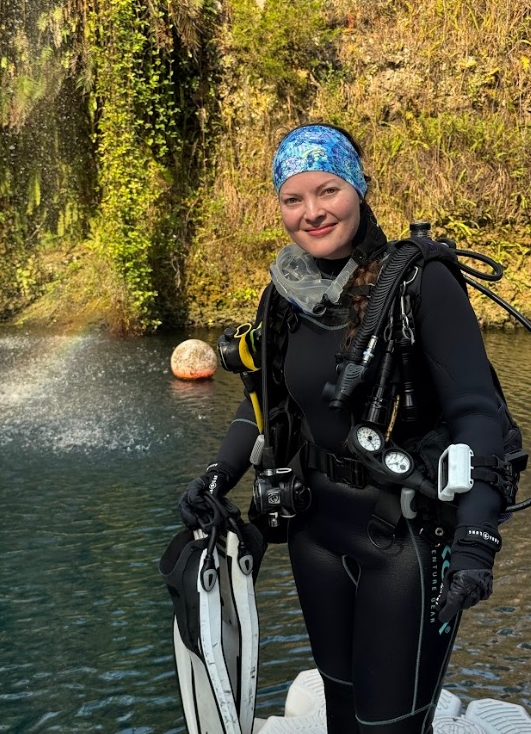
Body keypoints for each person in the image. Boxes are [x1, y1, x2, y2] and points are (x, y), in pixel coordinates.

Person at [178, 124, 509, 734]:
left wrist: (477, 537)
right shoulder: (284, 295)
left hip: (403, 542)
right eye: (292, 199)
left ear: (358, 187)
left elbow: (480, 414)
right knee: (340, 714)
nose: (311, 213)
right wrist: (218, 474)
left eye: (327, 191)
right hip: (315, 534)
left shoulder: (420, 284)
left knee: (390, 725)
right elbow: (265, 405)